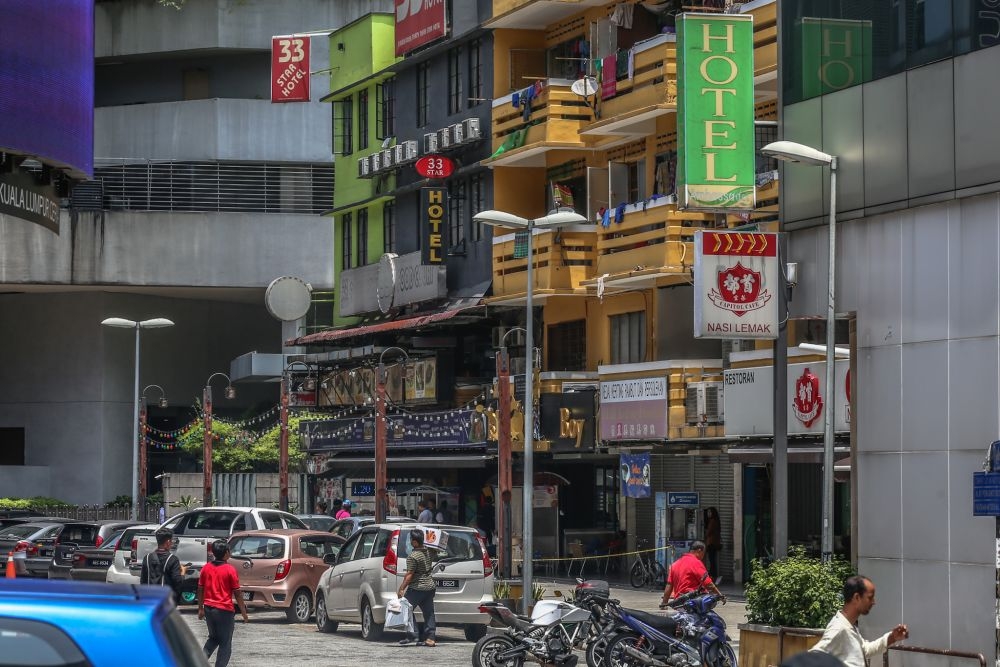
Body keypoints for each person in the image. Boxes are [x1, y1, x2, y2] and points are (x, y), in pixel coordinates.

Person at [810, 575, 908, 667]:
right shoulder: (839, 628)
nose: (874, 602)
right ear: (856, 597)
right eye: (870, 597)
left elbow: (865, 650)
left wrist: (892, 637)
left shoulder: (849, 625)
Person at [197, 539, 249, 667]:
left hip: (209, 608)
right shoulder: (230, 570)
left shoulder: (206, 568)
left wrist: (200, 608)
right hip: (224, 610)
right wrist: (244, 612)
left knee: (213, 638)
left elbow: (200, 588)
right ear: (226, 553)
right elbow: (237, 593)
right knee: (225, 644)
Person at [397, 529, 437, 647]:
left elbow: (409, 575)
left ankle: (413, 634)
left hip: (417, 588)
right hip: (429, 587)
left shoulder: (413, 556)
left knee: (406, 608)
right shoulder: (429, 552)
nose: (410, 543)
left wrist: (401, 588)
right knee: (429, 613)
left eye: (411, 541)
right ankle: (430, 638)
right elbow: (436, 549)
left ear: (414, 542)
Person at [660, 540, 724, 608]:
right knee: (710, 600)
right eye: (703, 553)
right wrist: (720, 596)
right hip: (692, 602)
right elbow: (708, 584)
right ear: (699, 551)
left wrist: (664, 603)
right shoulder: (696, 563)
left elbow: (669, 585)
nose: (703, 556)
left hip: (678, 603)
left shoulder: (675, 564)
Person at [140, 528, 184, 604]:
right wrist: (183, 573)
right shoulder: (173, 559)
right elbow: (177, 582)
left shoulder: (147, 558)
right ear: (168, 542)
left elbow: (142, 581)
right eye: (171, 541)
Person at [704, 507, 722, 580]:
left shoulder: (712, 521)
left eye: (710, 512)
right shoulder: (716, 521)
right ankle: (713, 575)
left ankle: (712, 575)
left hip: (711, 543)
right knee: (712, 560)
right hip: (714, 543)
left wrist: (705, 532)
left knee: (712, 560)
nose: (708, 514)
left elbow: (708, 533)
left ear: (713, 513)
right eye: (708, 512)